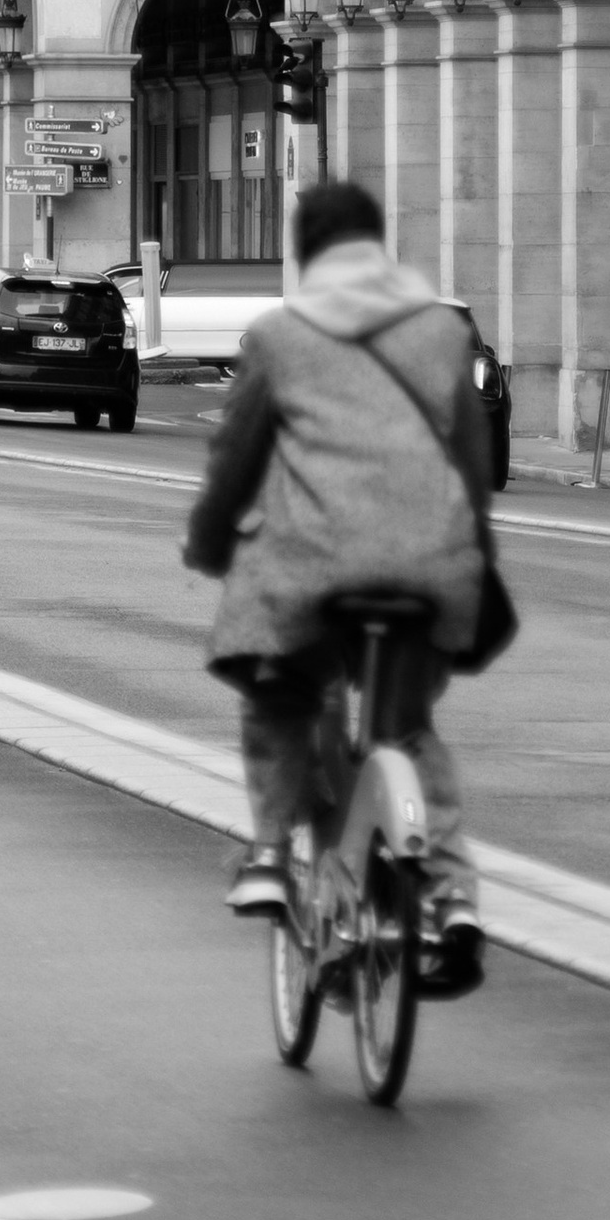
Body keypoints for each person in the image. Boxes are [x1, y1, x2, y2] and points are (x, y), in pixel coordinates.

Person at [182, 176, 496, 966]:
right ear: (376, 244)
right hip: (432, 562)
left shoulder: (281, 336)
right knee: (407, 727)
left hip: (316, 569)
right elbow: (471, 459)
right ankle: (452, 893)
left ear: (308, 252)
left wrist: (213, 541)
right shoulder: (440, 333)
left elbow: (236, 460)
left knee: (280, 690)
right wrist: (475, 561)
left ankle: (268, 853)